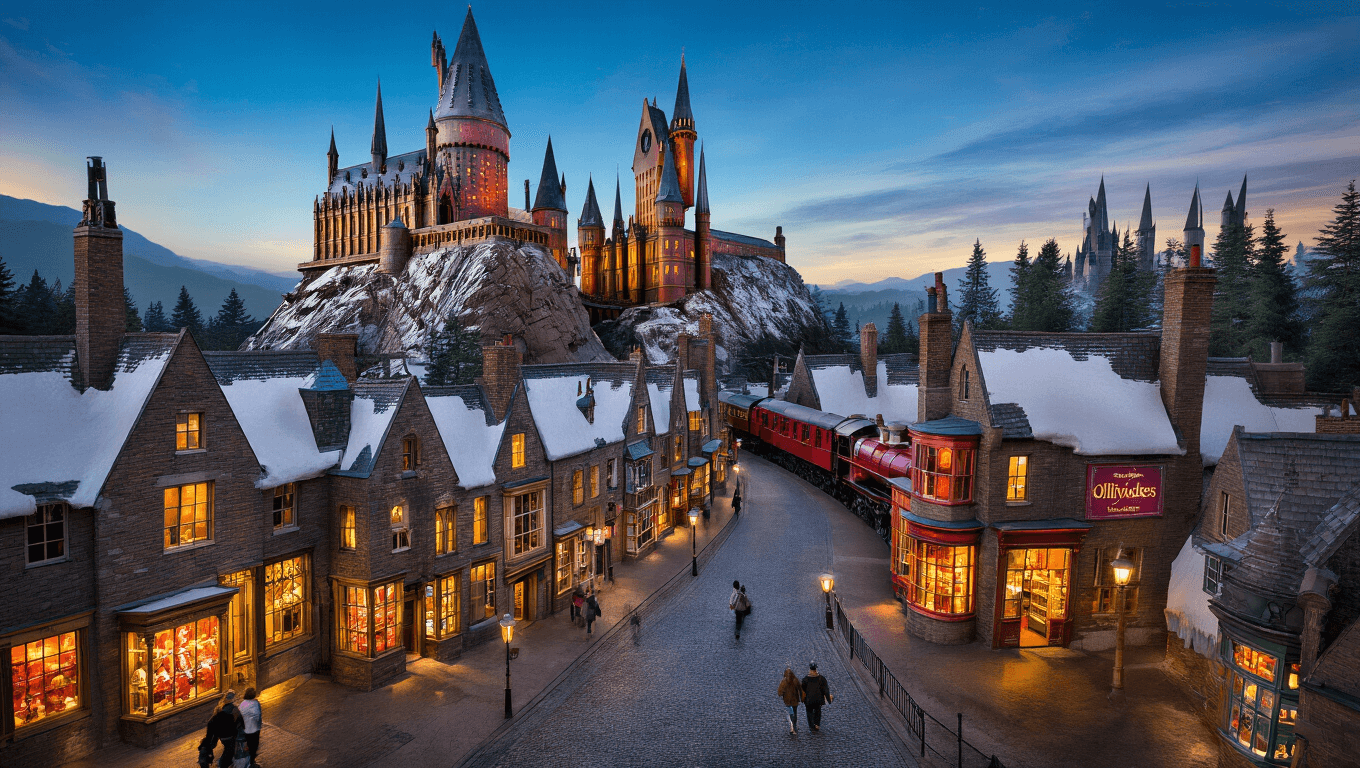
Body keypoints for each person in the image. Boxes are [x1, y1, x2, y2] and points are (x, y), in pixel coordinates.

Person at [202, 690, 243, 768]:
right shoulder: (234, 709)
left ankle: (224, 762)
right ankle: (222, 764)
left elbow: (212, 721)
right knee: (229, 749)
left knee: (228, 748)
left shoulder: (220, 708)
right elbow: (238, 720)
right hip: (228, 734)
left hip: (221, 733)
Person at [801, 662, 833, 732]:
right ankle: (817, 724)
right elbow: (826, 691)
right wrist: (829, 700)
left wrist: (802, 699)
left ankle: (811, 726)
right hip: (818, 700)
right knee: (818, 711)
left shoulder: (805, 679)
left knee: (809, 712)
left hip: (809, 700)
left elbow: (802, 690)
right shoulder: (822, 679)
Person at [238, 687, 261, 767]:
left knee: (246, 746)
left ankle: (247, 762)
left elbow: (239, 716)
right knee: (253, 747)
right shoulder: (255, 703)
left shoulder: (242, 704)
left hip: (245, 730)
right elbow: (257, 717)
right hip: (254, 729)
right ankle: (251, 763)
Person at [777, 668, 804, 734]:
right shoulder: (795, 680)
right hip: (795, 700)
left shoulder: (784, 682)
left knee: (791, 713)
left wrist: (782, 693)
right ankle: (794, 725)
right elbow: (800, 689)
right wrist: (802, 697)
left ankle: (792, 726)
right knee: (795, 712)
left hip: (787, 701)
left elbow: (779, 692)